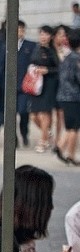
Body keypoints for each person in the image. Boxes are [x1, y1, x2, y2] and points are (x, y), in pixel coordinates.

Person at [59, 28, 80, 165]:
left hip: (63, 96)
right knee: (74, 127)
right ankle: (70, 155)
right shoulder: (77, 59)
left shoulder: (67, 57)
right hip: (74, 96)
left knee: (69, 126)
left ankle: (60, 147)